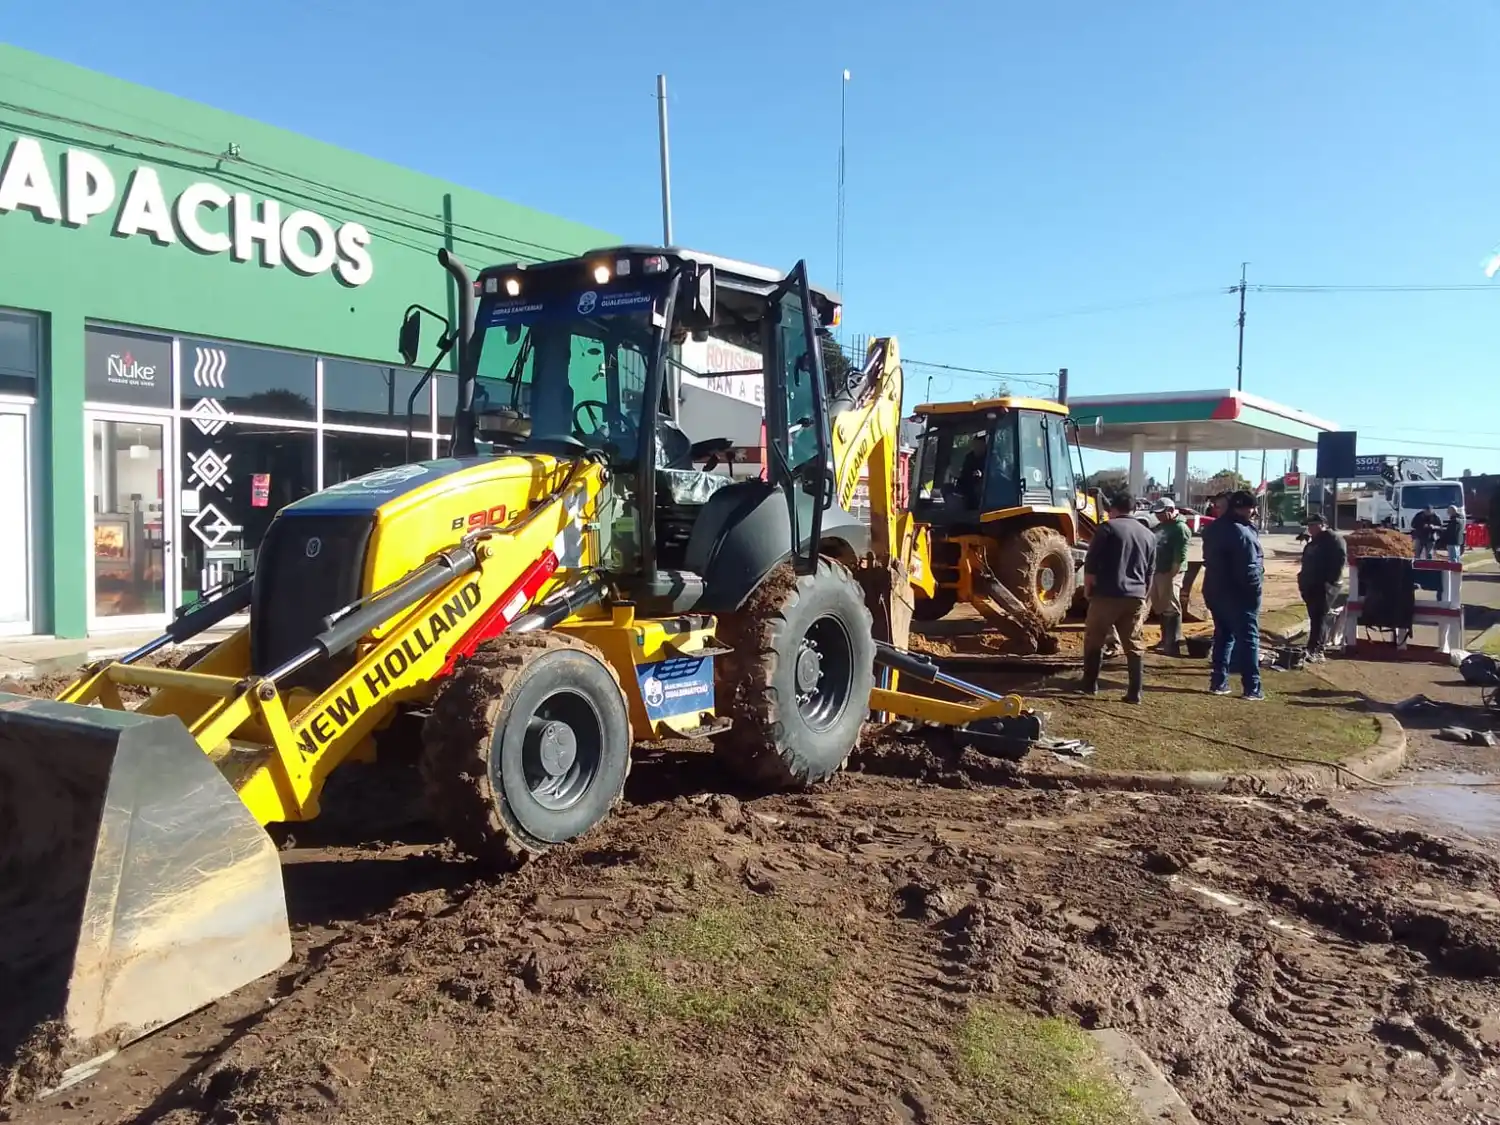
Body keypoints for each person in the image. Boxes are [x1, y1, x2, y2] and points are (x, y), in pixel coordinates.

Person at [1080, 491, 1157, 703]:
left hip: (1107, 594)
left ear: (1113, 509)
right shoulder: (1148, 535)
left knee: (1094, 639)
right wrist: (1143, 595)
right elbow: (1150, 570)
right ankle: (1135, 692)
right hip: (1135, 596)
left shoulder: (1107, 528)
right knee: (1133, 643)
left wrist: (1088, 588)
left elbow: (1092, 562)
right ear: (1134, 509)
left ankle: (1089, 685)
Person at [1200, 489, 1265, 699]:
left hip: (1215, 590)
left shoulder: (1213, 528)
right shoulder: (1243, 532)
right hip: (1239, 594)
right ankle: (1252, 687)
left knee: (1223, 636)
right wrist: (1255, 594)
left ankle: (1219, 682)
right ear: (1249, 508)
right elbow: (1250, 569)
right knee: (1248, 639)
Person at [1297, 513, 1346, 662]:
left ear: (1323, 525)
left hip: (1324, 586)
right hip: (1311, 584)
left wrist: (1329, 583)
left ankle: (1317, 650)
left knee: (1320, 617)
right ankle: (1312, 646)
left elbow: (1339, 561)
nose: (1310, 528)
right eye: (1309, 526)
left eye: (1313, 525)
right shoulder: (1314, 542)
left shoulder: (1333, 539)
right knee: (1315, 617)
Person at [1148, 498, 1190, 656]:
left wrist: (1171, 575)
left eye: (1161, 513)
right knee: (1160, 605)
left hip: (1171, 571)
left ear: (1171, 510)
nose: (1158, 516)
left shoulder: (1180, 528)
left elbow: (1180, 555)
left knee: (1171, 604)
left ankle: (1173, 641)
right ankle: (1165, 639)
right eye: (1157, 514)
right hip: (1158, 570)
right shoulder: (1161, 526)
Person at [958, 435, 987, 509]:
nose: (977, 448)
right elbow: (964, 474)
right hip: (968, 486)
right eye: (975, 445)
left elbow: (997, 474)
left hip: (986, 490)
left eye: (979, 445)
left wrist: (982, 475)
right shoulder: (969, 457)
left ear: (984, 445)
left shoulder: (991, 456)